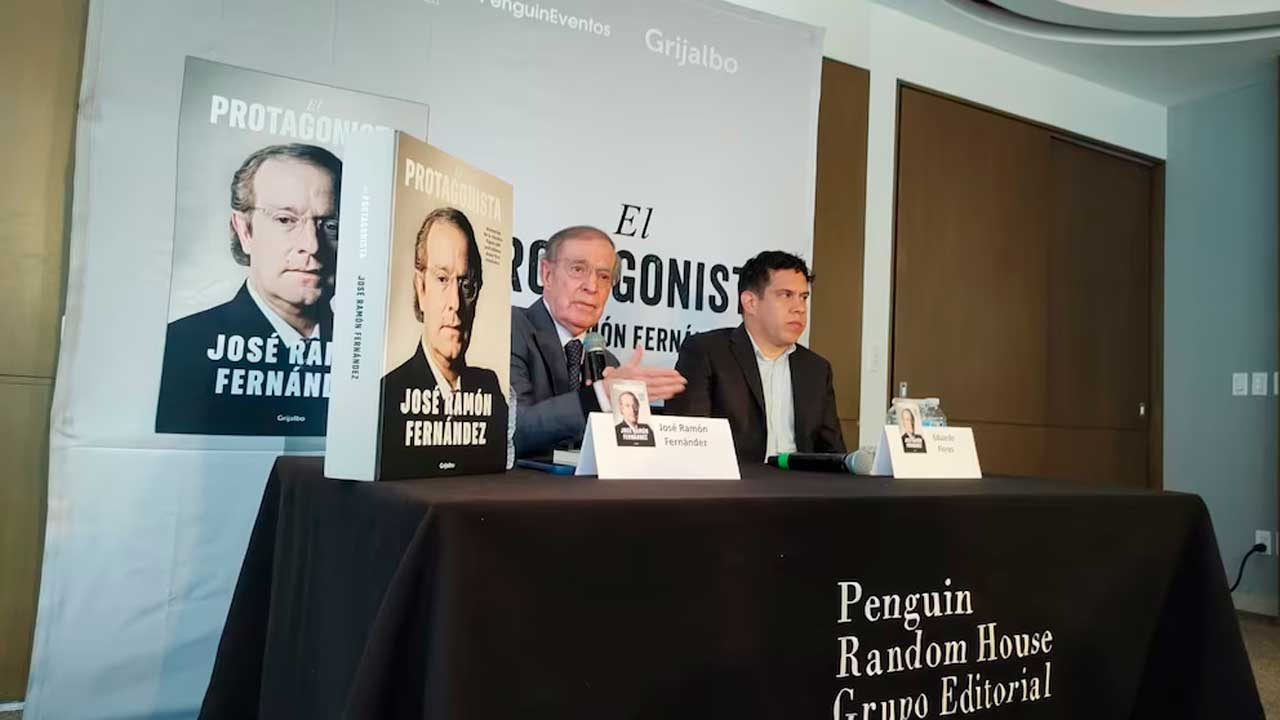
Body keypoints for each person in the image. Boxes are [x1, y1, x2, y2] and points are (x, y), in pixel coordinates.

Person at [156, 143, 341, 435]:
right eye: (285, 220)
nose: (312, 245)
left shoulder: (367, 353)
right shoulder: (181, 349)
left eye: (330, 225)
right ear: (244, 230)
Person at [511, 225, 686, 457]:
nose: (592, 287)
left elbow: (625, 455)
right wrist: (600, 396)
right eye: (577, 269)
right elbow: (512, 432)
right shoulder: (510, 328)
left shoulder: (607, 361)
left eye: (604, 277)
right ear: (547, 274)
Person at [666, 250, 845, 462]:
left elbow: (834, 456)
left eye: (803, 297)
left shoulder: (816, 369)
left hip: (801, 481)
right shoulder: (706, 353)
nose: (799, 308)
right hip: (736, 481)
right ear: (750, 302)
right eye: (786, 295)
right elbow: (688, 447)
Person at [380, 207, 508, 477]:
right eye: (442, 279)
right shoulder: (387, 397)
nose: (455, 303)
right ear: (421, 288)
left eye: (466, 284)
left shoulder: (489, 389)